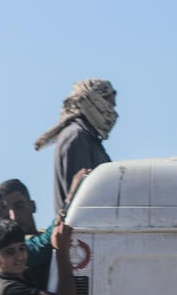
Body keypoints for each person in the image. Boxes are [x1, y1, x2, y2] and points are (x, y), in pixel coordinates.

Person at [33, 79, 117, 215]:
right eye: (108, 103)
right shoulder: (76, 137)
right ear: (92, 101)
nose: (112, 110)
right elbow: (80, 198)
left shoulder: (89, 138)